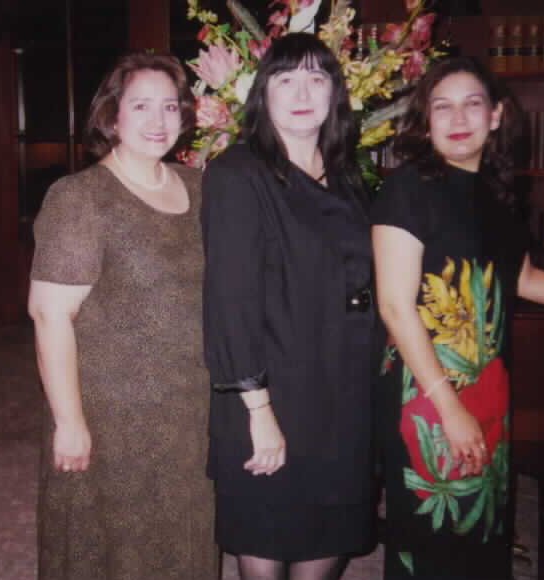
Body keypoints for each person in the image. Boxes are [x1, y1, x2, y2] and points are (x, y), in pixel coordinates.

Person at [371, 56, 544, 580]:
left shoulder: (497, 194)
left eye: (472, 104)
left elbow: (523, 277)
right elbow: (395, 305)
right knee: (435, 536)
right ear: (425, 120)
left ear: (495, 116)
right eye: (442, 106)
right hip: (428, 391)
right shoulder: (407, 189)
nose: (457, 118)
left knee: (485, 527)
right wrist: (448, 406)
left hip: (487, 385)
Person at [28, 51, 217, 580]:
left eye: (170, 107)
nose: (159, 121)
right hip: (111, 413)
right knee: (111, 545)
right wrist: (69, 423)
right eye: (141, 106)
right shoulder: (79, 198)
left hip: (189, 404)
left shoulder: (200, 187)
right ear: (111, 115)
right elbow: (49, 315)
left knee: (185, 532)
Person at [201, 32, 377, 580]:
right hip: (271, 394)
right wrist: (259, 413)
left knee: (329, 534)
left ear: (335, 93)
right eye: (285, 79)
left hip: (343, 393)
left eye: (316, 78)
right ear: (263, 93)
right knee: (268, 536)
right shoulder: (237, 174)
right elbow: (229, 303)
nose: (302, 92)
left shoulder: (348, 175)